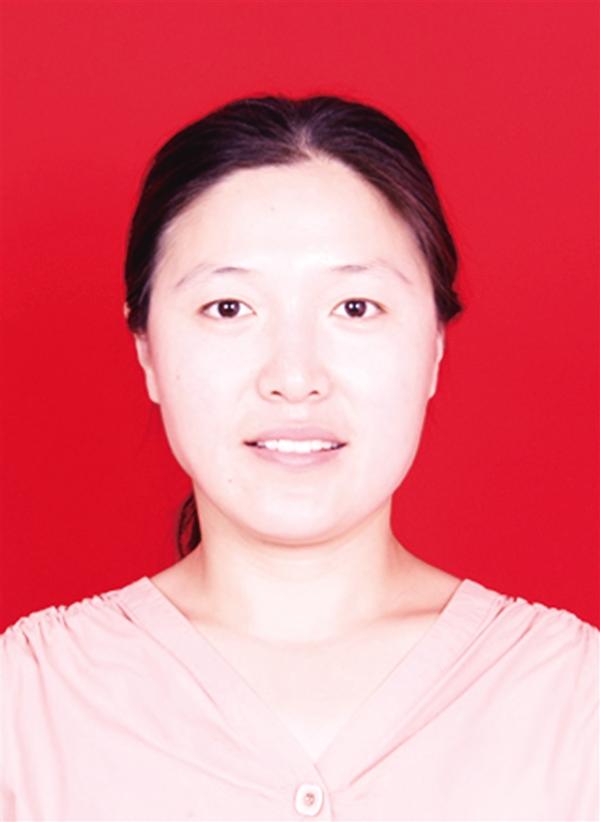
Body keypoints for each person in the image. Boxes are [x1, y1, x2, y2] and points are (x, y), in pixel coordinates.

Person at [1, 94, 597, 822]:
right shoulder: (28, 706)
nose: (294, 376)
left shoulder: (573, 701)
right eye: (229, 308)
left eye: (355, 307)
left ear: (435, 345)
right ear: (147, 348)